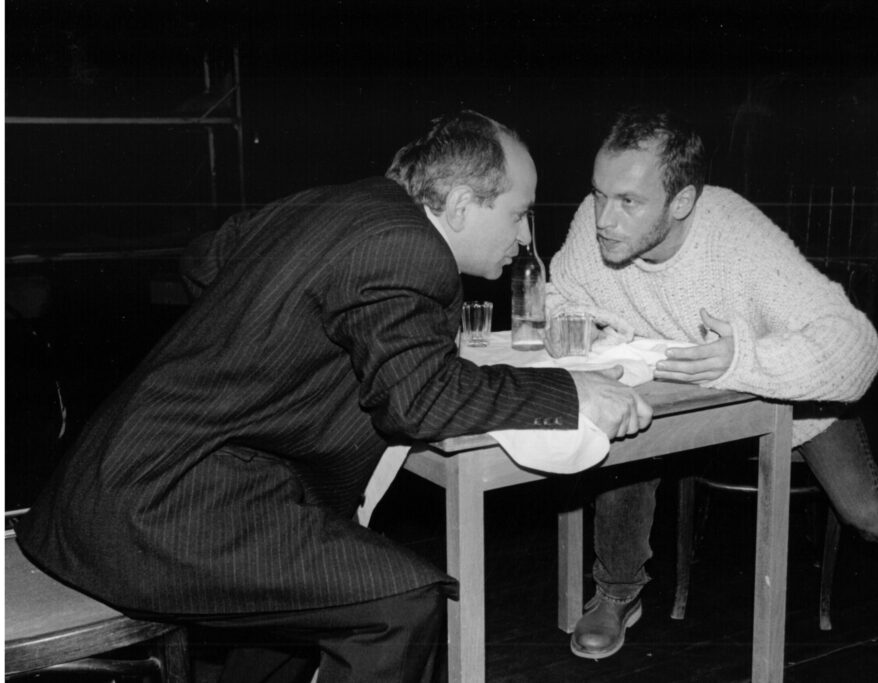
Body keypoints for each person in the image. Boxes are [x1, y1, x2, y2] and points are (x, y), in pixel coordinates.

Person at [16, 110, 653, 683]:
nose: (524, 239)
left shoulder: (331, 203)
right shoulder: (409, 248)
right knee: (399, 605)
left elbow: (204, 260)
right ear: (462, 204)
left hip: (112, 484)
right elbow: (420, 401)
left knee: (319, 595)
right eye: (518, 214)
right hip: (154, 508)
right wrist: (571, 391)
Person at [548, 106, 878, 661]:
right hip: (675, 395)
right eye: (599, 194)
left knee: (868, 509)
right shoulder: (595, 222)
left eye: (628, 202)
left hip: (786, 395)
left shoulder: (738, 236)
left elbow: (857, 345)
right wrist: (576, 325)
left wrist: (746, 358)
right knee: (621, 433)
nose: (604, 218)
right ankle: (617, 591)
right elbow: (562, 294)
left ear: (681, 202)